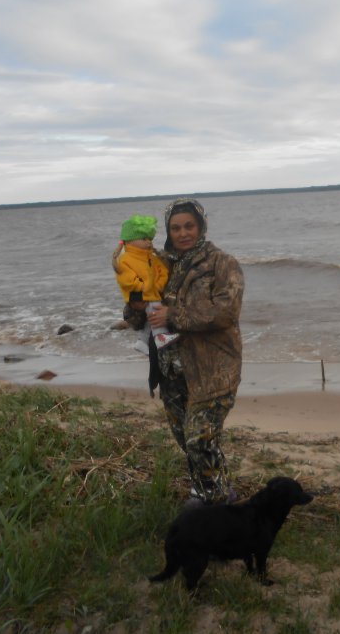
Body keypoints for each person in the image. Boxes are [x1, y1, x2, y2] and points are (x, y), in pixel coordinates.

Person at [147, 198, 244, 507]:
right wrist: (136, 308)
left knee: (199, 439)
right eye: (175, 228)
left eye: (189, 226)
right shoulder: (161, 265)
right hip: (171, 371)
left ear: (201, 226)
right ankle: (214, 492)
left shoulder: (222, 263)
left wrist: (174, 315)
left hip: (213, 371)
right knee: (188, 442)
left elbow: (226, 312)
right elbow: (146, 306)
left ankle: (215, 504)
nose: (183, 233)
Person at [112, 215, 179, 353]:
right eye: (144, 239)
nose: (148, 242)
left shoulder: (152, 257)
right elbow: (127, 280)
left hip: (152, 292)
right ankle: (160, 336)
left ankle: (142, 341)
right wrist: (145, 287)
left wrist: (158, 285)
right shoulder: (125, 259)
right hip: (139, 295)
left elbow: (163, 271)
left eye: (150, 239)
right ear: (130, 240)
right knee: (155, 310)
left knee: (150, 317)